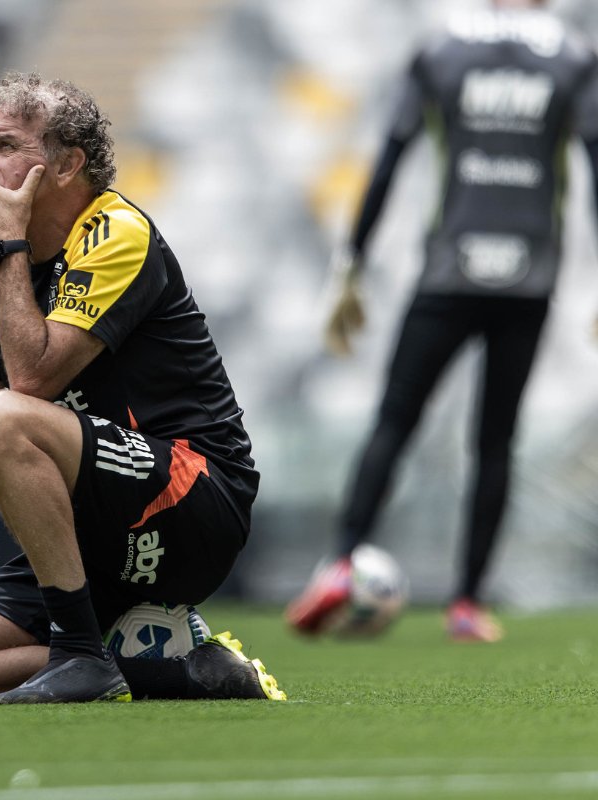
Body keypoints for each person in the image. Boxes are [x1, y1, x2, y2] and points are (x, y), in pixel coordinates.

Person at [0, 72, 285, 704]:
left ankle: (81, 653)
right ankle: (185, 671)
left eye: (3, 146)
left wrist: (8, 248)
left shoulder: (115, 233)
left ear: (67, 163)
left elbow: (29, 380)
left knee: (6, 418)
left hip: (193, 501)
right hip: (85, 534)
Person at [287, 0, 598, 643]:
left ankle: (342, 562)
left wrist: (352, 263)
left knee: (395, 419)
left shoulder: (442, 49)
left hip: (448, 270)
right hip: (529, 275)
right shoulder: (572, 57)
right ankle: (466, 603)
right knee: (495, 439)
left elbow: (392, 153)